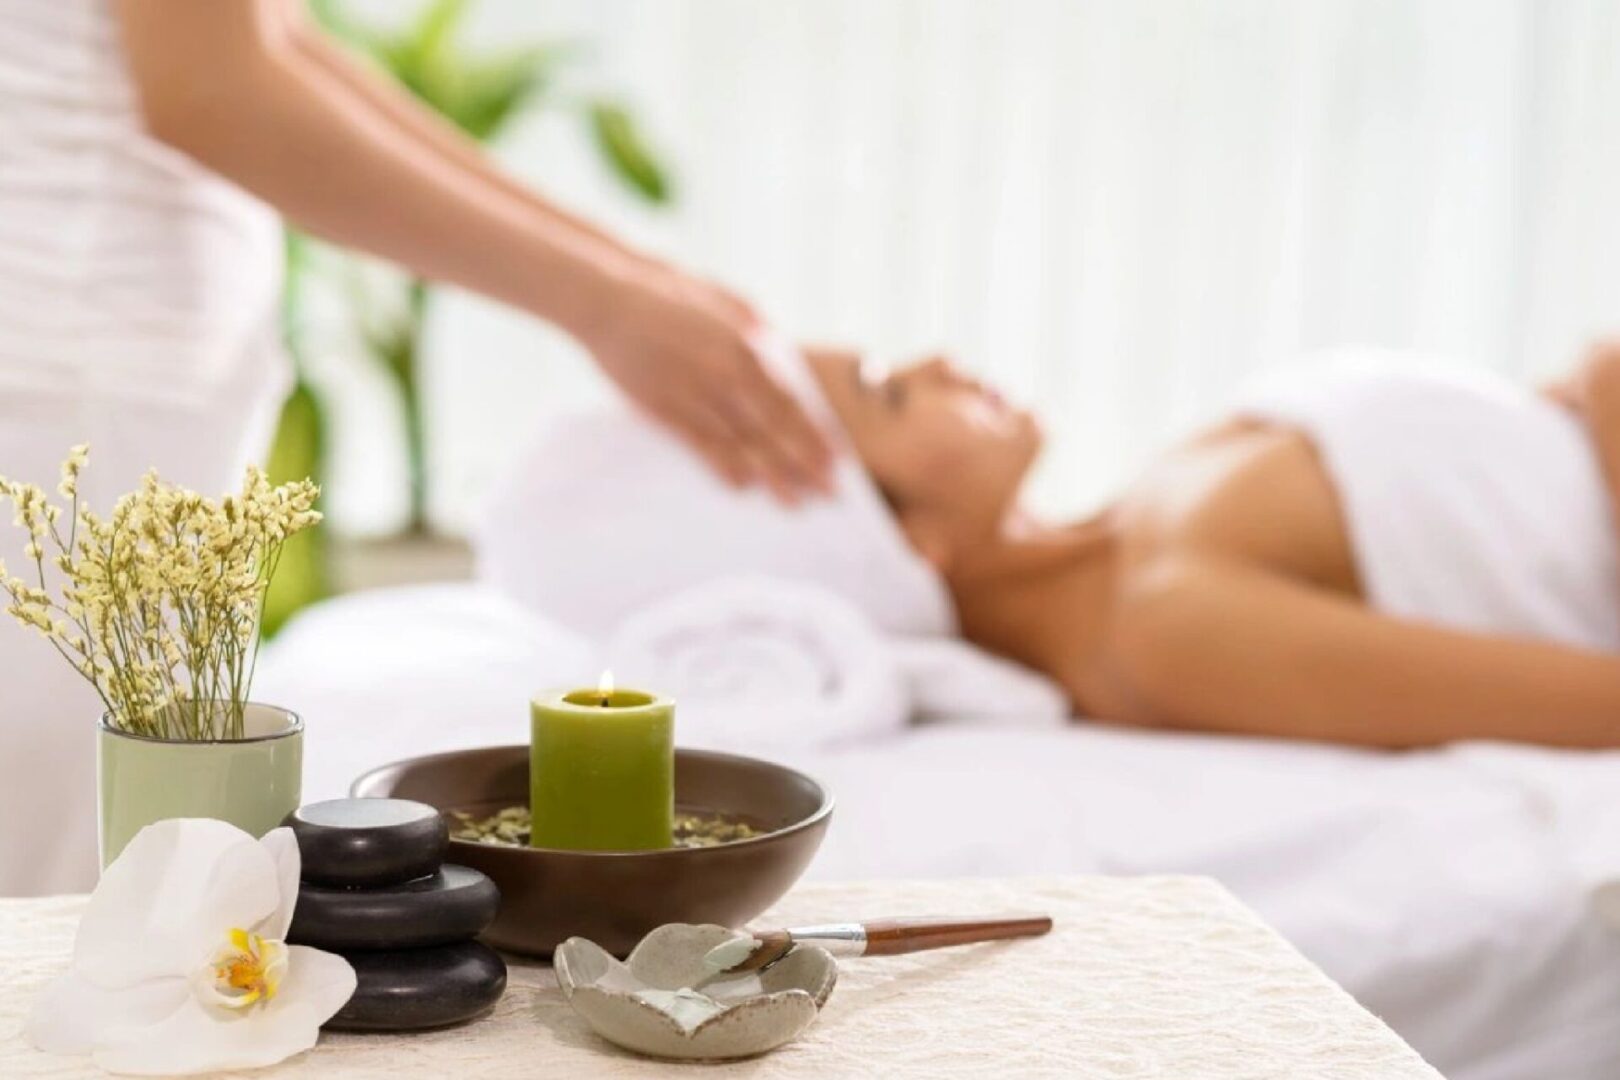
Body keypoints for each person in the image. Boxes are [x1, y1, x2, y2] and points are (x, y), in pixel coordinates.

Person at [0, 0, 827, 895]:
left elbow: (271, 44)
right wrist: (611, 301)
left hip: (104, 372)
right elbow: (213, 88)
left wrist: (632, 283)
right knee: (46, 895)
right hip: (65, 376)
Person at [804, 343, 1620, 749]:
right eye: (890, 394)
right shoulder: (1167, 636)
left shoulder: (1135, 519)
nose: (938, 360)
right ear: (909, 542)